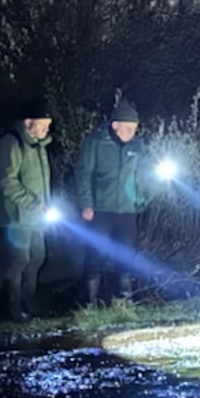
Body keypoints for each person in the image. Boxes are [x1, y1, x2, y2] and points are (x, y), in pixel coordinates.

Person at [74, 98, 154, 304]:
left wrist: (142, 200)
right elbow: (83, 174)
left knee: (126, 256)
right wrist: (86, 204)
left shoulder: (137, 146)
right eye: (127, 128)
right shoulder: (96, 143)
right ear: (115, 125)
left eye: (134, 129)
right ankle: (89, 304)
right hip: (101, 209)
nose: (131, 133)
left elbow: (144, 176)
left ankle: (124, 303)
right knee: (96, 256)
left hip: (127, 211)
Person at [0, 97, 55, 321]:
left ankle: (30, 302)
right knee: (19, 260)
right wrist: (32, 202)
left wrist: (43, 205)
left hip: (37, 216)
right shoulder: (12, 142)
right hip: (16, 216)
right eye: (44, 124)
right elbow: (7, 181)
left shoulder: (39, 145)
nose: (48, 128)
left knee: (37, 257)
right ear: (29, 122)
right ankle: (13, 308)